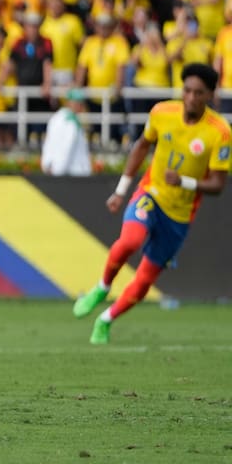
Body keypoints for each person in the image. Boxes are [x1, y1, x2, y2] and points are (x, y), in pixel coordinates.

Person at [72, 64, 230, 345]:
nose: (191, 97)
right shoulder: (162, 113)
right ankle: (101, 287)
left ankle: (105, 319)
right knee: (131, 240)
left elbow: (218, 184)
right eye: (187, 91)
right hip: (150, 193)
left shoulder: (220, 132)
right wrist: (121, 191)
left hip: (180, 215)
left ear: (210, 95)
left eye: (199, 93)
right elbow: (142, 146)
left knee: (145, 280)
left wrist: (184, 182)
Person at [40, 88, 93, 176]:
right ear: (69, 103)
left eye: (80, 103)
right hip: (72, 174)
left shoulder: (56, 118)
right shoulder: (71, 123)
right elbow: (66, 147)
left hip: (57, 170)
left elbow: (48, 144)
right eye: (77, 102)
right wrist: (57, 171)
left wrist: (47, 164)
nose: (80, 106)